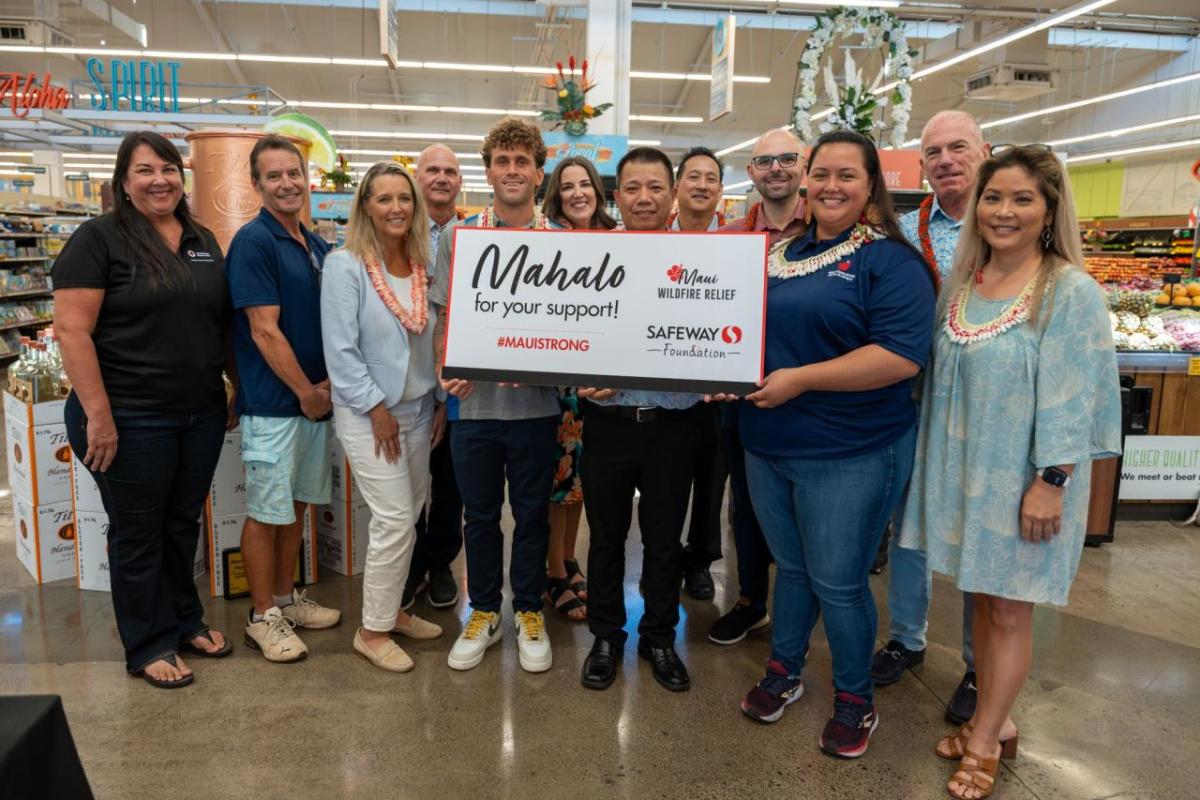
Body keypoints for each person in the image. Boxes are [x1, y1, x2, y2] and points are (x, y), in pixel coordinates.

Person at [900, 145, 1120, 799]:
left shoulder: (1068, 291)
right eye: (994, 197)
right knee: (983, 604)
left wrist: (1051, 483)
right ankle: (1001, 717)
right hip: (971, 475)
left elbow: (1076, 397)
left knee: (1007, 614)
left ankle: (985, 739)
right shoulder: (965, 284)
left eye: (1023, 198)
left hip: (1027, 485)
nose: (1004, 211)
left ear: (1050, 210)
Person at [736, 131, 935, 760]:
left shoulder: (891, 262)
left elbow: (901, 357)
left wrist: (801, 380)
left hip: (851, 450)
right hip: (767, 443)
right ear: (803, 180)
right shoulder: (779, 254)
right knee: (791, 568)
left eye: (847, 175)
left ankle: (854, 698)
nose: (830, 186)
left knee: (840, 582)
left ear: (872, 185)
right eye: (819, 173)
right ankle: (785, 668)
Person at [55, 130, 233, 688]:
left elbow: (216, 319)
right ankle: (148, 642)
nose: (160, 180)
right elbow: (71, 330)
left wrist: (230, 385)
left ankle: (185, 620)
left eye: (169, 169)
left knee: (181, 524)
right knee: (138, 531)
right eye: (145, 171)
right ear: (124, 182)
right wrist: (99, 416)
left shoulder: (201, 238)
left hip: (199, 412)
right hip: (129, 415)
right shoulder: (99, 239)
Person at [430, 117, 561, 673]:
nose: (512, 171)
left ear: (538, 172)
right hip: (475, 408)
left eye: (522, 161)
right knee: (479, 516)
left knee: (531, 515)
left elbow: (570, 324)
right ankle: (483, 610)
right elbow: (443, 314)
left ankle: (528, 609)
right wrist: (445, 367)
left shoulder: (559, 243)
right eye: (502, 162)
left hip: (536, 408)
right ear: (488, 172)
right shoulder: (460, 237)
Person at [873, 110, 991, 724]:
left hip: (984, 405)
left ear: (984, 150)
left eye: (958, 148)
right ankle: (908, 639)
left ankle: (979, 663)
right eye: (934, 152)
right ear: (921, 165)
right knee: (909, 523)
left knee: (979, 533)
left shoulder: (1012, 221)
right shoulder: (906, 227)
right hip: (915, 398)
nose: (945, 160)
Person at [578, 147, 708, 694]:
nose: (644, 198)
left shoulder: (703, 264)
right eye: (633, 188)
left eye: (655, 187)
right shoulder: (591, 259)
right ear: (617, 195)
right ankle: (606, 636)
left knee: (663, 541)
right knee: (606, 537)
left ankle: (659, 637)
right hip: (607, 423)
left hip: (673, 427)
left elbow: (716, 341)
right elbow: (568, 332)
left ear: (673, 193)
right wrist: (579, 376)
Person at [322, 161, 446, 672]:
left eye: (404, 199)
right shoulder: (345, 265)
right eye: (384, 199)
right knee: (395, 518)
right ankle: (371, 631)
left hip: (418, 407)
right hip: (368, 410)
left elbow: (432, 340)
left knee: (411, 511)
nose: (396, 208)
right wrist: (376, 409)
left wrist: (437, 402)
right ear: (365, 207)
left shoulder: (423, 262)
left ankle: (390, 611)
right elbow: (341, 349)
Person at [226, 134, 341, 664]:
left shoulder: (315, 246)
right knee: (266, 511)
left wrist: (324, 392)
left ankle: (287, 602)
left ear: (307, 177)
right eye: (273, 176)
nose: (286, 183)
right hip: (277, 404)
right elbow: (263, 331)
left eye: (293, 173)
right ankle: (260, 614)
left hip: (315, 401)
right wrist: (304, 392)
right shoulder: (254, 243)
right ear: (256, 184)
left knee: (296, 505)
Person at [710, 127, 808, 646]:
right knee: (745, 504)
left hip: (811, 395)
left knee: (807, 509)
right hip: (740, 398)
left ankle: (807, 606)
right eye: (765, 160)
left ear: (804, 165)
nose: (776, 168)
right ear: (750, 172)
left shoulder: (830, 232)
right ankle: (752, 601)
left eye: (787, 158)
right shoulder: (727, 241)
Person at [538, 155, 618, 622]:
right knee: (559, 482)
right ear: (556, 195)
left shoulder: (617, 238)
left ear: (597, 189)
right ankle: (552, 573)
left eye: (584, 184)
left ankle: (569, 559)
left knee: (580, 485)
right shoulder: (549, 241)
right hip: (562, 385)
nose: (577, 193)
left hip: (605, 388)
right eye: (566, 187)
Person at [403, 143, 467, 611]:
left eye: (450, 171)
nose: (441, 178)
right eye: (432, 170)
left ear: (460, 180)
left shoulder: (476, 236)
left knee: (450, 483)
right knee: (404, 482)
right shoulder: (397, 233)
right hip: (405, 379)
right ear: (417, 177)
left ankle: (441, 562)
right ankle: (409, 566)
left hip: (455, 385)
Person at [671, 146, 727, 600]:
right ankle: (665, 554)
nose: (702, 185)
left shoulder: (738, 244)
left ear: (722, 192)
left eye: (711, 178)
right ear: (677, 187)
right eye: (693, 176)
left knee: (711, 479)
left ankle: (701, 560)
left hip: (717, 393)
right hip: (664, 389)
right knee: (666, 483)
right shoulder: (651, 240)